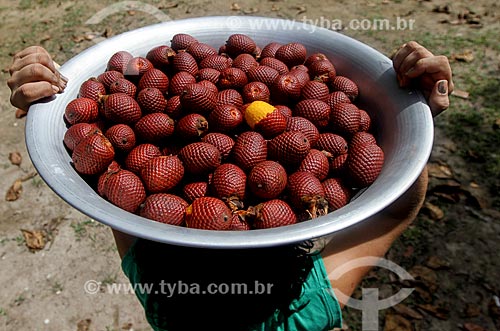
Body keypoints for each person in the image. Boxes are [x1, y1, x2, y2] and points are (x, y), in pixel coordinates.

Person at [7, 42, 453, 331]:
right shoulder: (307, 307)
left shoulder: (165, 297)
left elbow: (119, 198)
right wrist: (412, 124)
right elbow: (396, 210)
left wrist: (56, 99)